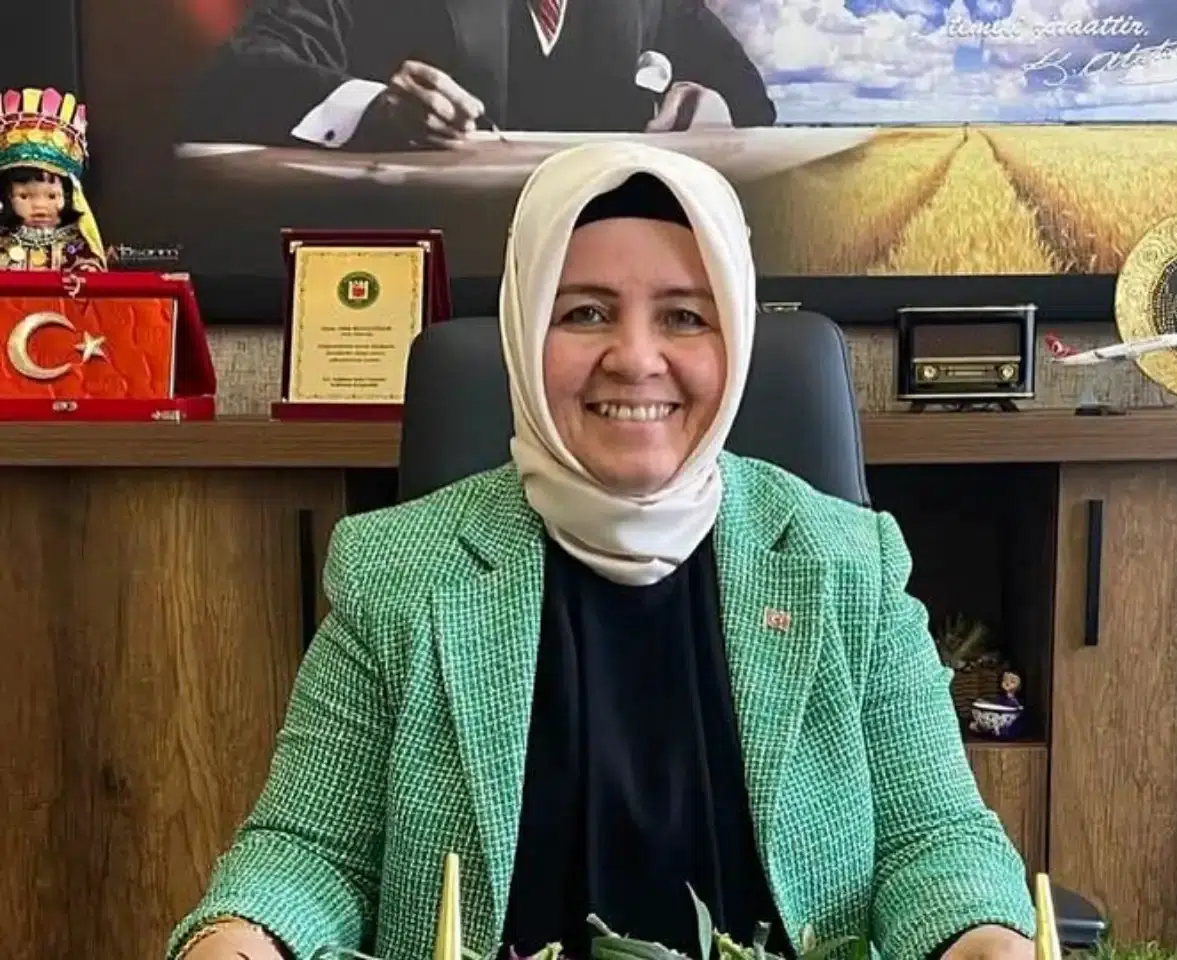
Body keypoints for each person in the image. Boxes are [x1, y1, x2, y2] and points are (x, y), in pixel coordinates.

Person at [168, 142, 1037, 960]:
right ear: (522, 331)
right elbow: (311, 851)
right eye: (584, 312)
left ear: (736, 338)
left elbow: (932, 837)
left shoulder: (847, 563)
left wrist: (985, 941)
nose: (635, 358)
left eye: (685, 316)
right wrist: (241, 937)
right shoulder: (398, 569)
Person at [179, 0, 776, 149]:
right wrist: (374, 109)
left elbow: (749, 100)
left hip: (597, 283)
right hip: (431, 287)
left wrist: (709, 110)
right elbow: (235, 77)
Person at [0, 88, 106, 272]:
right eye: (24, 196)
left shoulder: (75, 247)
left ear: (70, 197)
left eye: (52, 196)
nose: (39, 206)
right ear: (7, 197)